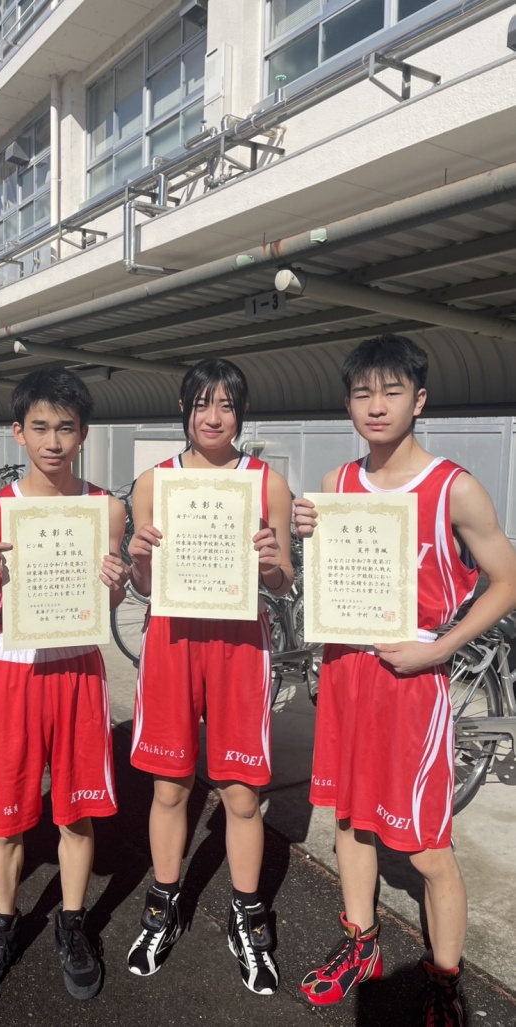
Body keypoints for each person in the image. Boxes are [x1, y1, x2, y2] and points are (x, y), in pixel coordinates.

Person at [293, 334, 516, 1025]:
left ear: (419, 400)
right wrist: (308, 532)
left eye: (391, 391)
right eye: (362, 393)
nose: (376, 405)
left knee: (426, 848)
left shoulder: (454, 487)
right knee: (350, 821)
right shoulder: (337, 483)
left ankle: (444, 979)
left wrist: (438, 650)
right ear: (347, 404)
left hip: (413, 680)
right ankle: (361, 943)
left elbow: (507, 582)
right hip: (347, 669)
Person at [125, 358, 293, 994]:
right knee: (170, 787)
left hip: (240, 646)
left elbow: (283, 581)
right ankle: (164, 904)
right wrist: (138, 559)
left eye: (226, 405)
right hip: (172, 644)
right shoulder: (153, 483)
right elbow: (146, 585)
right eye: (202, 404)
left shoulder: (267, 483)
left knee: (242, 794)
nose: (213, 417)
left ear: (241, 413)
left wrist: (272, 564)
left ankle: (246, 915)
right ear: (184, 409)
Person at [0, 368, 127, 1002]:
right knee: (5, 819)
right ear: (18, 432)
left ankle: (72, 922)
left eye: (65, 428)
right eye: (40, 427)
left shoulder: (106, 509)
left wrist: (118, 585)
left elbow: (108, 604)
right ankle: (4, 925)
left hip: (80, 667)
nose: (53, 441)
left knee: (77, 810)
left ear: (83, 433)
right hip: (15, 669)